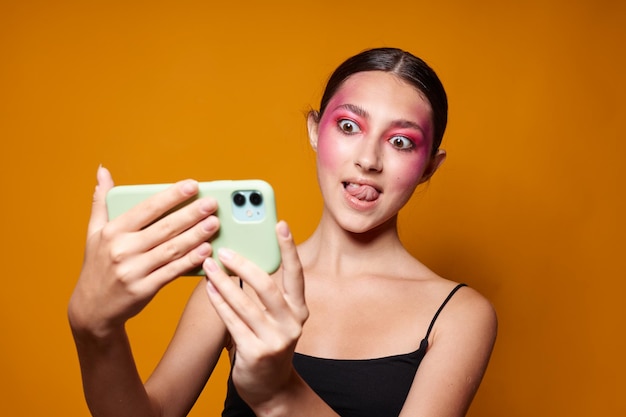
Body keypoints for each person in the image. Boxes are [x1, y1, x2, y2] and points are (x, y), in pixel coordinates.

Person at [68, 47, 497, 417]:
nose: (368, 159)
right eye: (349, 126)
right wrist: (95, 332)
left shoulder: (459, 316)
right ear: (315, 130)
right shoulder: (236, 279)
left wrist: (279, 393)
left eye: (401, 141)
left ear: (428, 168)